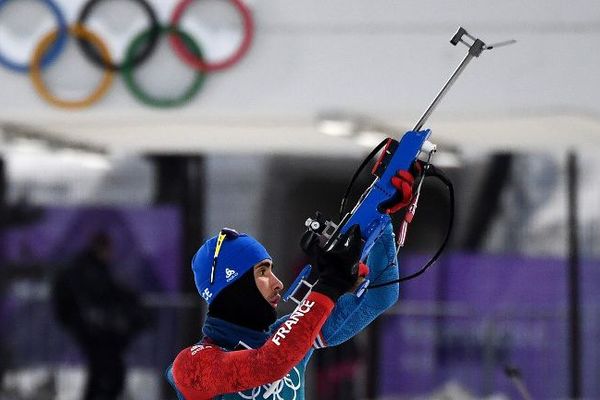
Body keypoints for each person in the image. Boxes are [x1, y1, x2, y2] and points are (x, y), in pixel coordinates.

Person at [166, 169, 417, 399]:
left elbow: (381, 296)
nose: (278, 283)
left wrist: (380, 216)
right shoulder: (192, 365)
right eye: (262, 272)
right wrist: (329, 284)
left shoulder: (289, 334)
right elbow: (269, 364)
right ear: (233, 286)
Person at [52, 232, 148, 400]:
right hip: (95, 331)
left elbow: (112, 292)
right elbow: (96, 297)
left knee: (104, 374)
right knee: (107, 374)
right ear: (101, 249)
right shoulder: (88, 271)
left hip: (96, 331)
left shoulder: (91, 269)